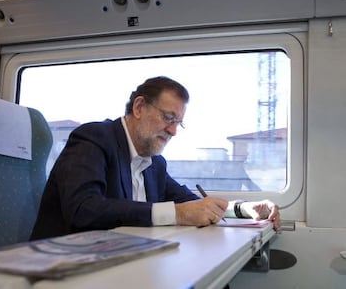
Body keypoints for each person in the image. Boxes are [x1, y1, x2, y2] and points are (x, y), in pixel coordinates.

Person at [30, 76, 280, 240]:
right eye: (168, 118)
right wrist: (177, 214)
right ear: (139, 108)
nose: (172, 131)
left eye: (178, 123)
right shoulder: (93, 138)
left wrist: (245, 209)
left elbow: (192, 204)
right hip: (64, 267)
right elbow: (83, 210)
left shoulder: (154, 164)